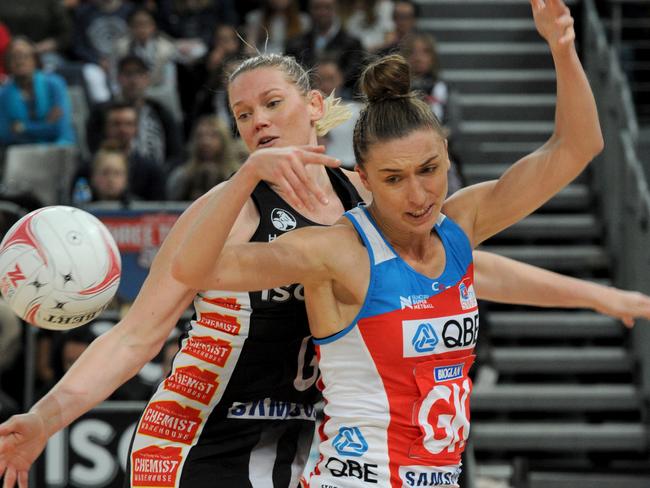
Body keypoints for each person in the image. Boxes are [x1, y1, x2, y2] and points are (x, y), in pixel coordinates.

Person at [2, 5, 650, 486]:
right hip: (201, 435)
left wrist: (596, 295)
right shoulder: (229, 207)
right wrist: (45, 417)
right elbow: (137, 334)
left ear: (314, 106)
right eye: (243, 115)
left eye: (272, 104)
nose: (258, 121)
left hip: (294, 443)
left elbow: (452, 268)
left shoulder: (358, 199)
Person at [169, 1, 605, 486]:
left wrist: (563, 49)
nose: (418, 196)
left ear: (446, 156)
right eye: (394, 179)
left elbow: (576, 148)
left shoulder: (459, 224)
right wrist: (246, 176)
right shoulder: (337, 250)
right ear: (365, 179)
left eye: (429, 171)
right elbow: (193, 269)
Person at [0, 37, 76, 147]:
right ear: (7, 63)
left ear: (35, 59)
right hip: (22, 153)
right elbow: (6, 135)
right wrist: (45, 125)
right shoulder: (3, 95)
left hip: (59, 147)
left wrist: (23, 127)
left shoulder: (55, 85)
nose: (19, 61)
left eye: (24, 56)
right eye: (14, 57)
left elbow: (58, 128)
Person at [166, 115, 244, 201]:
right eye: (201, 135)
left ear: (224, 140)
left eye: (213, 135)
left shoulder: (239, 175)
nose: (206, 141)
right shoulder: (181, 177)